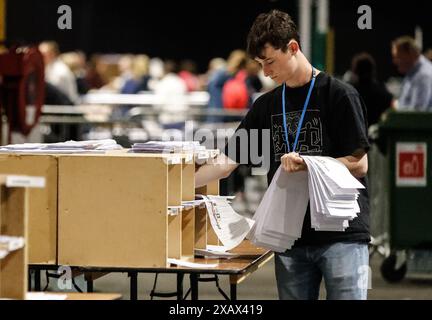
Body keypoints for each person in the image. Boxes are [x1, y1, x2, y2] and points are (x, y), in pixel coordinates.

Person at [195, 9, 370, 300]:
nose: (265, 72)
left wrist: (309, 165)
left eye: (270, 61)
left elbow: (358, 163)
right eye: (260, 64)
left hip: (342, 235)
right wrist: (176, 177)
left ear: (292, 48)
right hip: (290, 237)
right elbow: (226, 163)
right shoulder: (268, 105)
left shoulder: (339, 95)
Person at [349, 52, 394, 127]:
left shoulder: (350, 93)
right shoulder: (382, 91)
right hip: (377, 136)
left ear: (355, 70)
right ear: (373, 70)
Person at [391, 36, 432, 111]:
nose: (395, 61)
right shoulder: (412, 73)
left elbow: (417, 114)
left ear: (410, 54)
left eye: (397, 57)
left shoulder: (423, 75)